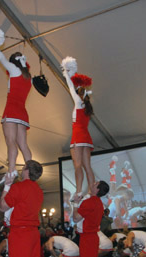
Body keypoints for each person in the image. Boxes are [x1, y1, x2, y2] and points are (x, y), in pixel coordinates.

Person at [0, 44, 33, 184]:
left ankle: (11, 170)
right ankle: (31, 171)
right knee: (23, 144)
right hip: (22, 112)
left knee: (10, 142)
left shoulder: (14, 70)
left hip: (12, 110)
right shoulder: (28, 77)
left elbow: (2, 59)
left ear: (13, 62)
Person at [61, 59, 95, 203]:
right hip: (86, 138)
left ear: (79, 94)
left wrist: (66, 73)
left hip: (78, 136)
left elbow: (69, 86)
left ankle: (79, 191)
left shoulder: (78, 102)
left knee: (77, 165)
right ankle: (91, 191)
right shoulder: (87, 106)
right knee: (87, 166)